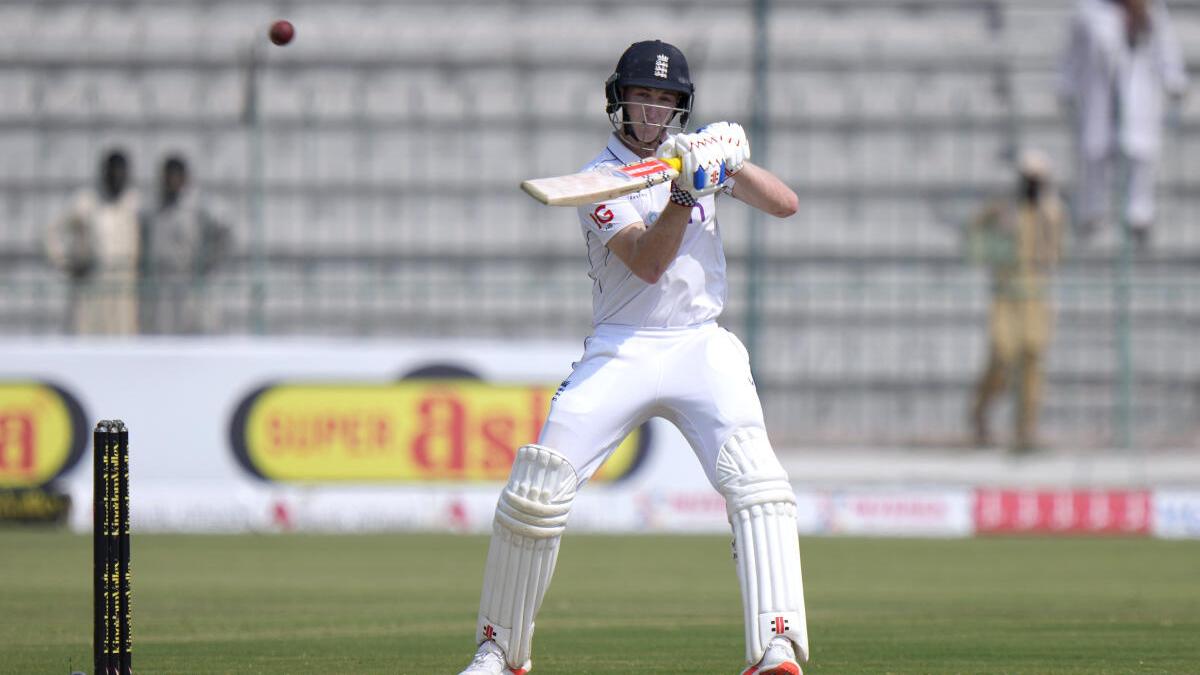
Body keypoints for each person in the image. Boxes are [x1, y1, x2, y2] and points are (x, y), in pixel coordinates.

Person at [458, 40, 806, 675]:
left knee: (758, 483)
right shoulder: (598, 180)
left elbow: (786, 205)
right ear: (619, 100)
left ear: (680, 108)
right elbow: (647, 264)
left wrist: (729, 160)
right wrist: (682, 193)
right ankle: (499, 652)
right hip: (623, 345)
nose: (652, 112)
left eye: (666, 101)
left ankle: (776, 647)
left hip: (702, 342)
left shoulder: (690, 154)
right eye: (643, 97)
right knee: (537, 488)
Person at [1059, 0, 1188, 248]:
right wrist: (1065, 84)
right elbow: (1072, 53)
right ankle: (1092, 214)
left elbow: (1165, 48)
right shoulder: (1087, 10)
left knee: (1140, 155)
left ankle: (1139, 216)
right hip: (1098, 94)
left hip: (1139, 93)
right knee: (1095, 155)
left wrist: (1174, 79)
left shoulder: (1151, 8)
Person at [969, 150, 1067, 453]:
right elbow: (976, 243)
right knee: (1002, 355)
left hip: (1036, 296)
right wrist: (999, 234)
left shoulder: (1051, 212)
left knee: (1032, 360)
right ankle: (980, 413)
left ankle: (1026, 430)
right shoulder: (1002, 210)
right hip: (1007, 294)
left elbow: (1054, 255)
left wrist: (1045, 215)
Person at [45, 149, 141, 335]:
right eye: (113, 172)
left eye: (121, 173)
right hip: (91, 286)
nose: (117, 178)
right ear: (104, 172)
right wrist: (67, 263)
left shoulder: (134, 203)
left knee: (121, 345)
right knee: (86, 342)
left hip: (124, 290)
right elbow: (52, 232)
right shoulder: (86, 201)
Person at [138, 155, 232, 334]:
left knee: (191, 336)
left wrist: (208, 262)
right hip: (160, 285)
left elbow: (225, 232)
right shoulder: (153, 209)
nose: (172, 181)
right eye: (168, 177)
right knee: (161, 336)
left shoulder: (198, 207)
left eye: (176, 176)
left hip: (189, 281)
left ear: (185, 179)